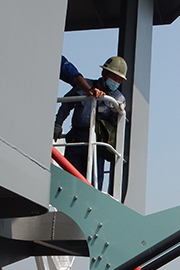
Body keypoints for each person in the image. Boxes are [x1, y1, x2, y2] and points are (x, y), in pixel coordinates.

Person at [54, 56, 127, 190]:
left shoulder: (118, 99)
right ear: (104, 73)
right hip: (76, 138)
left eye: (119, 80)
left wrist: (115, 113)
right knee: (70, 177)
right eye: (115, 77)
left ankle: (91, 203)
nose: (117, 82)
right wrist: (58, 124)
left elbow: (115, 126)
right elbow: (66, 105)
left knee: (93, 183)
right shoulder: (83, 86)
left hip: (97, 143)